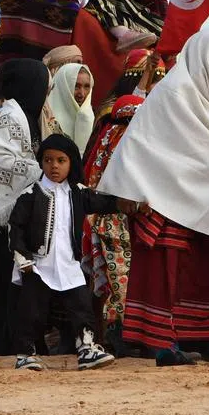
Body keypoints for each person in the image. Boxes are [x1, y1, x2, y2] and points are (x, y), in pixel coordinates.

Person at [97, 25, 209, 366]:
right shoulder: (174, 92)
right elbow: (147, 143)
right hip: (164, 196)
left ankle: (208, 338)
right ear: (204, 56)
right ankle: (160, 343)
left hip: (207, 195)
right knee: (164, 275)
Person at [10, 134, 134, 371]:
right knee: (32, 311)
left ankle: (87, 348)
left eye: (60, 160)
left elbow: (104, 202)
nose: (54, 166)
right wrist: (22, 258)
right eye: (48, 160)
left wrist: (124, 203)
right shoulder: (30, 195)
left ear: (70, 163)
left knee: (81, 307)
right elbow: (16, 228)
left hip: (68, 264)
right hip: (38, 265)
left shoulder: (77, 192)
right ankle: (25, 354)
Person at [0, 59, 50, 356]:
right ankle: (1, 336)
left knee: (18, 283)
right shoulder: (9, 116)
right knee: (11, 281)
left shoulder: (29, 115)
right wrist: (38, 172)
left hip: (19, 212)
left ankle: (2, 334)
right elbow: (2, 159)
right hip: (5, 215)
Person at [82, 95, 146, 355]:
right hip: (113, 221)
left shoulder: (112, 136)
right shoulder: (124, 137)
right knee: (118, 281)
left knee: (118, 280)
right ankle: (117, 334)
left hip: (120, 219)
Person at [43, 63, 95, 153]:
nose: (81, 94)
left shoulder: (93, 118)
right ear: (64, 87)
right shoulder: (46, 117)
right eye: (76, 86)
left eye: (86, 86)